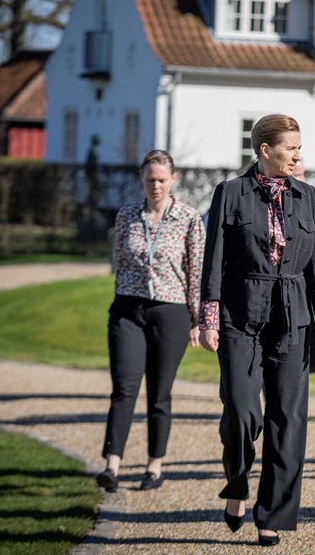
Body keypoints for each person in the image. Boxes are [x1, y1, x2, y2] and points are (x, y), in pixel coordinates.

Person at [198, 114, 315, 547]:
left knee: (288, 419)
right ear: (264, 150)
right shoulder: (230, 193)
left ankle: (272, 514)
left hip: (294, 318)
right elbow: (214, 257)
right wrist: (208, 317)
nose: (298, 153)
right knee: (241, 410)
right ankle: (237, 481)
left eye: (299, 146)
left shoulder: (311, 198)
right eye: (291, 147)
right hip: (240, 315)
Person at [97, 150, 205, 493]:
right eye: (149, 179)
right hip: (129, 309)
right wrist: (122, 301)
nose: (155, 186)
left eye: (161, 179)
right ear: (141, 179)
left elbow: (196, 272)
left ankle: (154, 465)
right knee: (123, 388)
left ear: (173, 179)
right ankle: (112, 465)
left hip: (170, 312)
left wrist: (197, 319)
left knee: (159, 393)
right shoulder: (127, 214)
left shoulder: (188, 218)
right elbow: (121, 265)